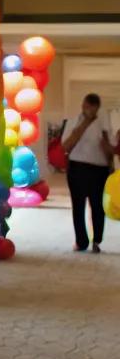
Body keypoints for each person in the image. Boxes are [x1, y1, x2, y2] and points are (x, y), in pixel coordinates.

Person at [62, 94, 114, 252]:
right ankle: (81, 241)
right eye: (86, 106)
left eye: (92, 107)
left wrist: (108, 154)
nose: (89, 110)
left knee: (98, 206)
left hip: (99, 170)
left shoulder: (103, 124)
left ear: (97, 108)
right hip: (77, 167)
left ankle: (97, 240)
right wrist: (85, 122)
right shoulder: (74, 121)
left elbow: (110, 150)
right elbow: (66, 146)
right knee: (78, 206)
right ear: (83, 106)